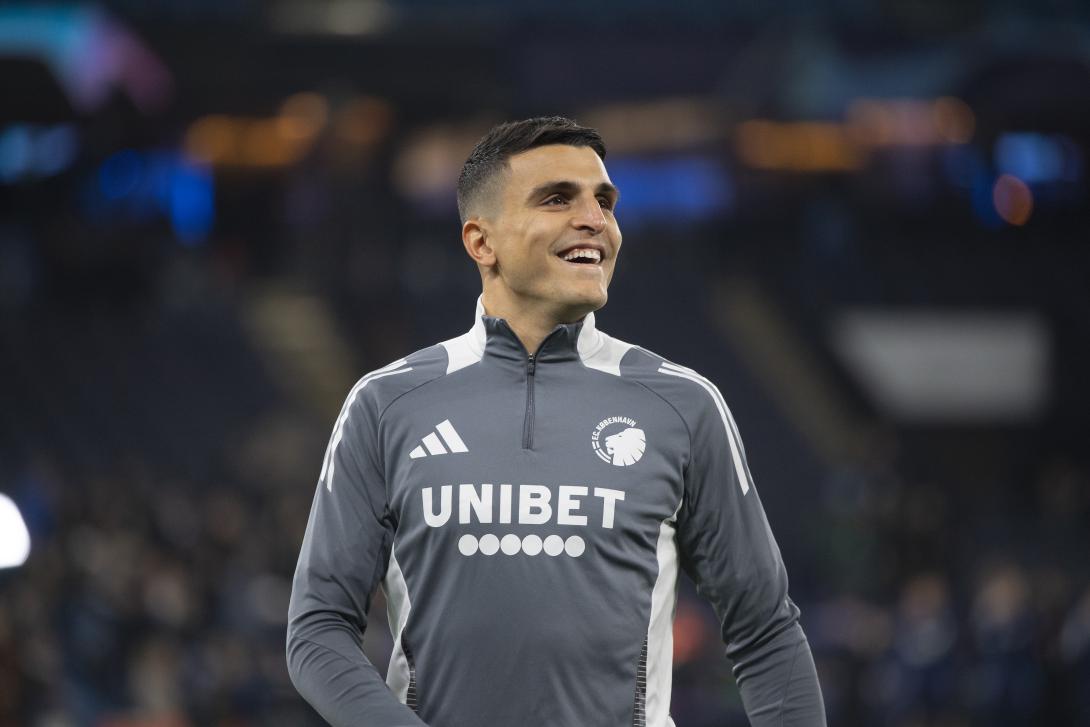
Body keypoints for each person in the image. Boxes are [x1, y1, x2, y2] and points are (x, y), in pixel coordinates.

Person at [286, 116, 826, 727]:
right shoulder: (386, 404)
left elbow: (765, 631)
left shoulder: (684, 405)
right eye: (557, 199)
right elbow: (318, 630)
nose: (595, 219)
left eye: (605, 202)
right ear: (481, 242)